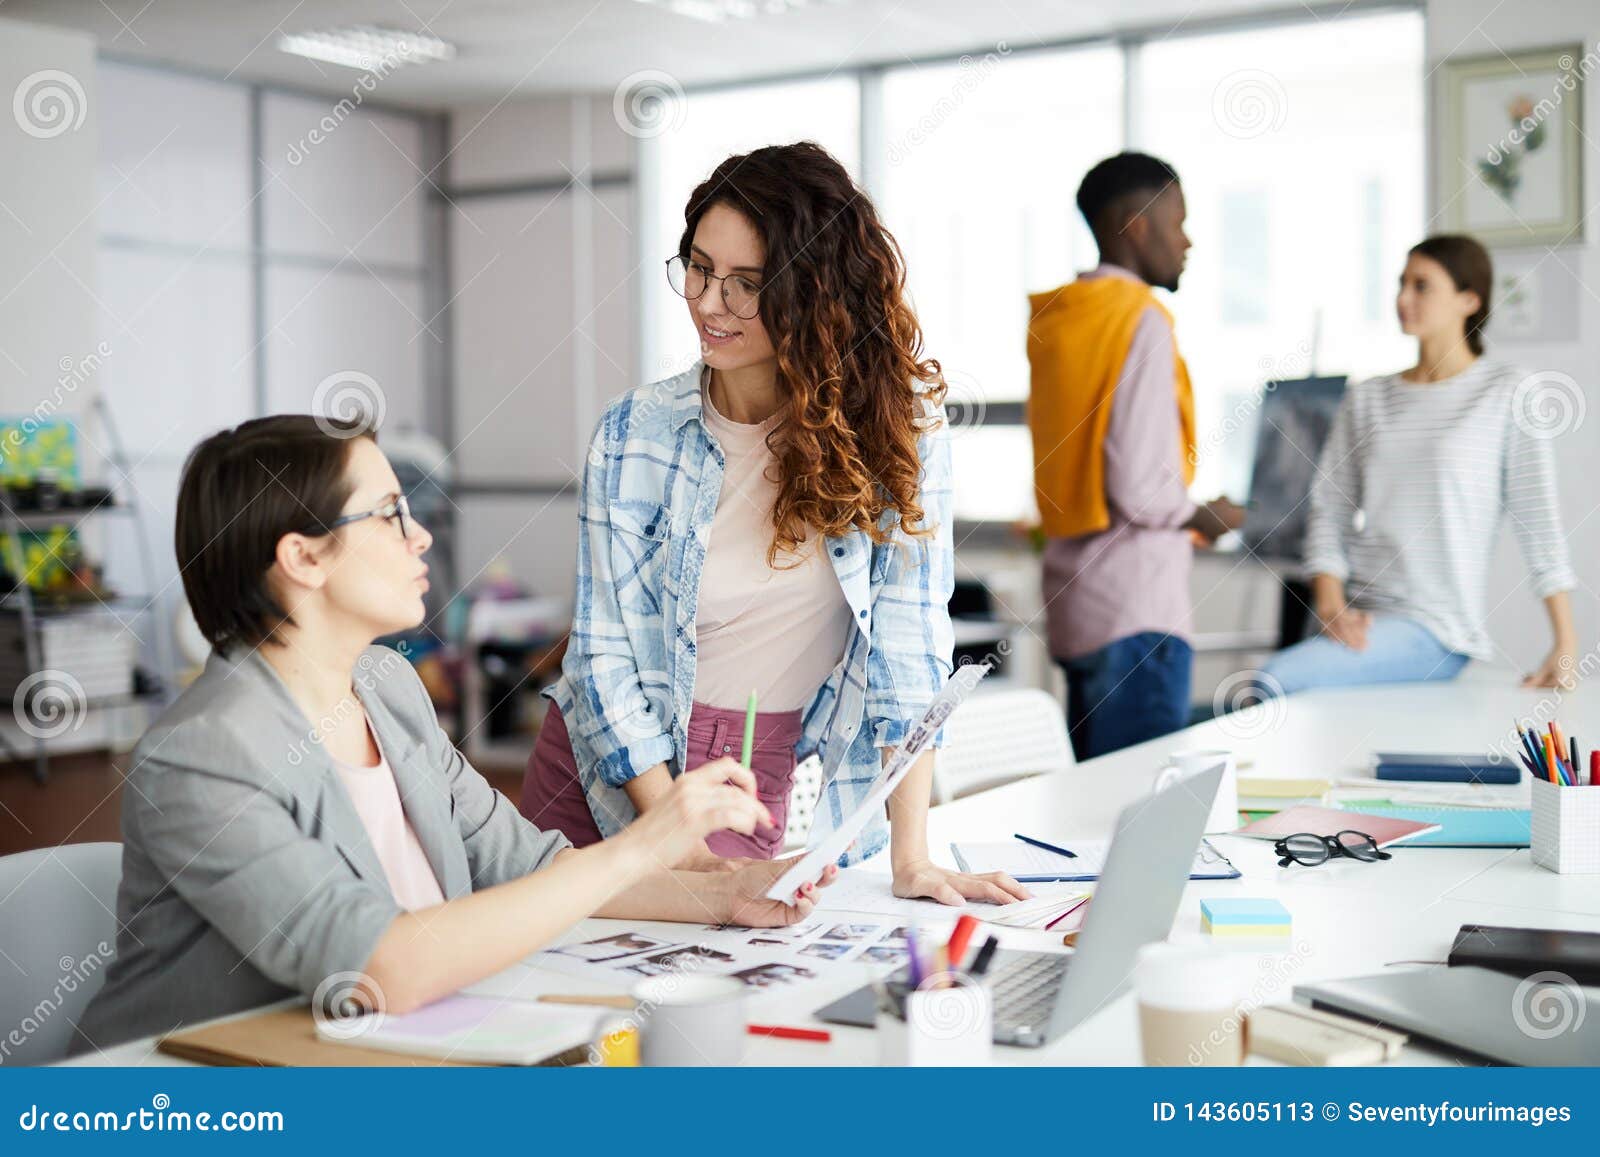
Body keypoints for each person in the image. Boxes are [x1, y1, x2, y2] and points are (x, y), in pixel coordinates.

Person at [73, 415, 826, 1054]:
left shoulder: (386, 686)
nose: (422, 536)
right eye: (390, 514)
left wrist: (728, 892)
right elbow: (376, 966)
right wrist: (644, 840)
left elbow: (530, 866)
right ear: (301, 557)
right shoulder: (202, 754)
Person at [520, 141, 1027, 908]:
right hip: (610, 775)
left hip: (753, 775)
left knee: (724, 1009)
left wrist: (911, 856)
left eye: (747, 284)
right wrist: (676, 838)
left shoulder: (896, 430)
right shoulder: (636, 433)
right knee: (565, 1011)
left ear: (815, 294)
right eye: (697, 267)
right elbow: (603, 657)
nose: (708, 301)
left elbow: (908, 649)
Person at [1259, 234, 1577, 695]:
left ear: (1469, 300)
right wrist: (1330, 605)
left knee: (1272, 680)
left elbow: (1539, 523)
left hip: (1435, 630)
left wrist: (1564, 643)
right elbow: (1328, 509)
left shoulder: (1507, 392)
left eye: (1422, 285)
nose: (1403, 298)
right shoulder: (1367, 397)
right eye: (1401, 283)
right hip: (1354, 617)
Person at [1027, 152, 1243, 761]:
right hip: (1139, 614)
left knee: (1088, 816)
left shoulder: (1060, 320)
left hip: (1077, 607)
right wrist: (1206, 515)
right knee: (1137, 809)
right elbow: (1143, 487)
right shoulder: (1140, 321)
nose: (1188, 240)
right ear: (1137, 225)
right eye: (1178, 222)